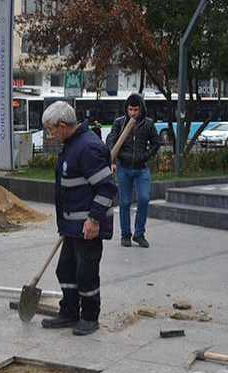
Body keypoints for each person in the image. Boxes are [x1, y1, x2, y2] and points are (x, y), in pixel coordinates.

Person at [41, 101, 117, 336]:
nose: (50, 135)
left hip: (87, 226)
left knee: (86, 273)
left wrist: (94, 220)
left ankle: (89, 317)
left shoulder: (88, 148)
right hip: (71, 226)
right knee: (65, 270)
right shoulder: (72, 145)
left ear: (63, 126)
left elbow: (106, 189)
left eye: (51, 129)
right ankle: (69, 312)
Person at [106, 93, 161, 248]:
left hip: (141, 169)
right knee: (124, 202)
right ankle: (125, 235)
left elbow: (156, 143)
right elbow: (111, 140)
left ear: (141, 109)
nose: (133, 113)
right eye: (130, 109)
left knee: (144, 198)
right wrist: (115, 157)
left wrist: (146, 156)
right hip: (124, 168)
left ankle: (139, 234)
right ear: (126, 109)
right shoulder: (119, 123)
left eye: (136, 110)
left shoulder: (148, 124)